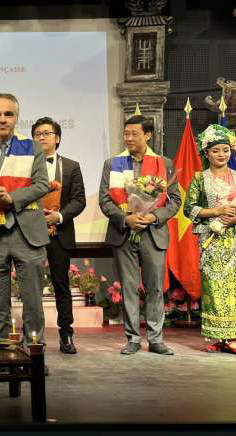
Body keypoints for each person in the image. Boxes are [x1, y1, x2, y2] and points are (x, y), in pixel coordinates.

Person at [0, 92, 50, 372]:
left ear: (16, 117)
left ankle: (34, 355)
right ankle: (0, 357)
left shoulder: (32, 147)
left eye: (8, 114)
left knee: (33, 302)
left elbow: (42, 185)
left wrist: (11, 197)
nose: (2, 119)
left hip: (27, 234)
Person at [99, 115, 181, 355]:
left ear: (148, 135)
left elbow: (175, 200)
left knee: (155, 288)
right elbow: (105, 200)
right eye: (126, 133)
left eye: (134, 133)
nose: (129, 138)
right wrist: (126, 219)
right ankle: (133, 338)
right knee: (129, 287)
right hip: (124, 232)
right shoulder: (113, 163)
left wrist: (153, 216)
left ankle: (156, 339)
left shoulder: (164, 163)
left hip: (153, 233)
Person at [32, 117, 86, 354]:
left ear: (58, 138)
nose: (41, 137)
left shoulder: (71, 166)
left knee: (61, 286)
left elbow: (79, 200)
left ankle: (66, 336)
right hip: (31, 233)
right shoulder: (25, 165)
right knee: (31, 287)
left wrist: (59, 216)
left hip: (60, 233)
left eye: (46, 133)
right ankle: (34, 337)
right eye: (37, 134)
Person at [183, 124, 236, 353]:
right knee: (214, 287)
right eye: (216, 151)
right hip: (211, 241)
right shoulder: (199, 179)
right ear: (206, 153)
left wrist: (233, 219)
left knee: (233, 288)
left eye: (225, 150)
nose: (221, 154)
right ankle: (220, 338)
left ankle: (232, 337)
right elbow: (189, 209)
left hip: (234, 239)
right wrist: (216, 211)